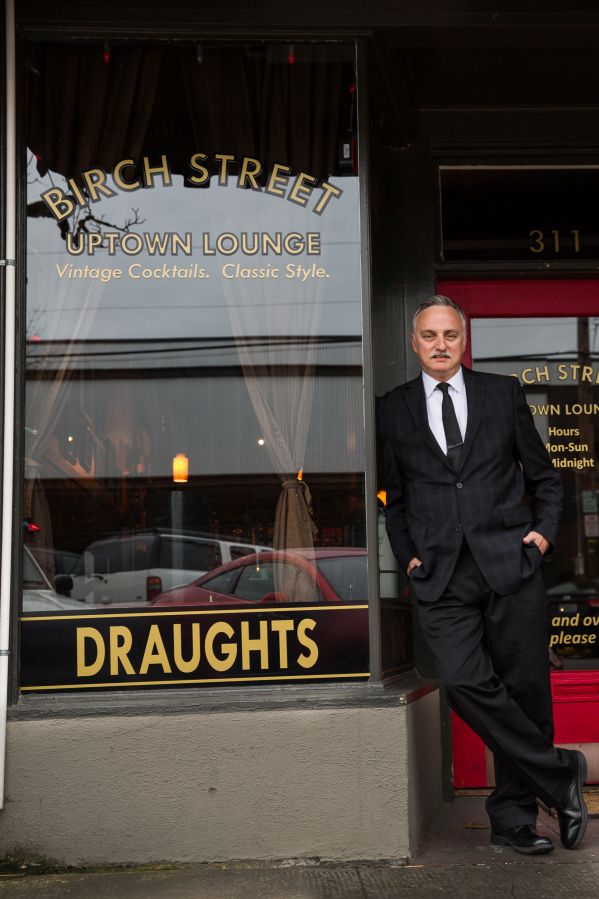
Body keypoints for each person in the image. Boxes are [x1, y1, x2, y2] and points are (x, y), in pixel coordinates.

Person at [379, 295, 587, 856]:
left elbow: (544, 477)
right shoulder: (393, 409)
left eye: (449, 334)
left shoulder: (502, 393)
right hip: (441, 574)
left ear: (463, 340)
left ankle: (514, 818)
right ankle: (559, 774)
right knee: (465, 681)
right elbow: (393, 500)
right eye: (429, 335)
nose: (440, 344)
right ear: (415, 342)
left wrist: (542, 534)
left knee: (525, 692)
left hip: (510, 563)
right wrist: (409, 555)